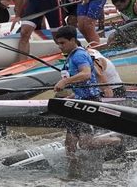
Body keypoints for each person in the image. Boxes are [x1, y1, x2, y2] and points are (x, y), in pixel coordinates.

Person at [51, 25, 121, 178]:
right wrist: (74, 94)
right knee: (69, 143)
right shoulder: (71, 55)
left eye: (62, 43)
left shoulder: (79, 55)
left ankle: (116, 141)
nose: (60, 46)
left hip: (89, 103)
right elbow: (82, 82)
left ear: (72, 40)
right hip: (79, 101)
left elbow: (86, 74)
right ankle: (73, 173)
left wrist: (65, 82)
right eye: (58, 43)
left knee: (85, 144)